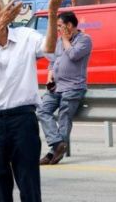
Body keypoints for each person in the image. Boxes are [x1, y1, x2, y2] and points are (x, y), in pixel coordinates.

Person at [0, 0, 66, 202]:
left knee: (29, 186)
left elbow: (50, 48)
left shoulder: (26, 36)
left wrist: (53, 14)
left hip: (22, 121)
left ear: (4, 11)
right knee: (0, 188)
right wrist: (2, 23)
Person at [38, 11, 92, 165]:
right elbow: (53, 61)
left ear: (69, 25)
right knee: (42, 110)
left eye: (60, 26)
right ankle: (57, 144)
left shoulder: (85, 40)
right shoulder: (59, 41)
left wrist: (66, 40)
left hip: (73, 87)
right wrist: (50, 75)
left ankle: (52, 153)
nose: (58, 29)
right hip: (56, 87)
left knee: (64, 117)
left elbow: (74, 55)